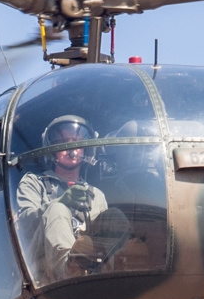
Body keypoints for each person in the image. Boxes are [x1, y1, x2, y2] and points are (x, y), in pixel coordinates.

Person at [16, 115, 126, 281]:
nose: (71, 148)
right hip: (45, 272)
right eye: (63, 142)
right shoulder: (34, 182)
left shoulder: (96, 194)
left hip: (93, 275)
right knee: (57, 209)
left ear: (85, 149)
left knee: (115, 217)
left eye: (77, 141)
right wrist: (61, 202)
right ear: (52, 149)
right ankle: (68, 269)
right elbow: (24, 226)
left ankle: (109, 275)